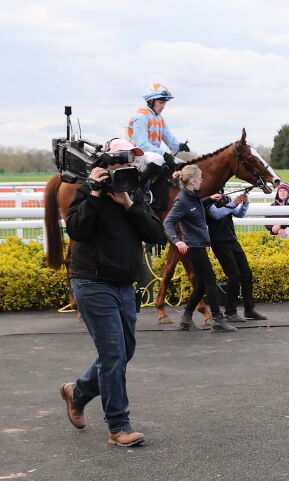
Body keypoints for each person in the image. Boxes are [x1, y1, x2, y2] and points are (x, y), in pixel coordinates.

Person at [59, 137, 165, 447]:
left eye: (131, 158)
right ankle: (118, 427)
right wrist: (94, 192)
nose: (126, 164)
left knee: (123, 353)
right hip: (92, 283)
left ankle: (76, 393)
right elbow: (76, 230)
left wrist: (129, 205)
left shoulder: (133, 192)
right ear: (106, 162)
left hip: (123, 286)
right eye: (120, 159)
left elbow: (157, 234)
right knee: (113, 355)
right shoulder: (86, 189)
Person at [163, 164, 236, 332]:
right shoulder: (182, 200)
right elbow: (168, 222)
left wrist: (211, 198)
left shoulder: (192, 196)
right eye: (200, 178)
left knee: (202, 284)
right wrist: (177, 240)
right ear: (193, 181)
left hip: (199, 245)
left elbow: (195, 208)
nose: (202, 180)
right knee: (210, 280)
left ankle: (186, 318)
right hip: (193, 247)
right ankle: (217, 318)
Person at [205, 190, 267, 322]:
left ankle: (249, 310)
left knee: (247, 273)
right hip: (219, 243)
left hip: (232, 240)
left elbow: (239, 214)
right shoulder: (208, 201)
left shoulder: (225, 198)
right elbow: (217, 214)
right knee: (234, 275)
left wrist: (244, 203)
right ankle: (230, 312)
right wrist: (234, 203)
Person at [127, 83, 189, 211]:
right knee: (159, 159)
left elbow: (170, 140)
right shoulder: (141, 116)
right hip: (137, 154)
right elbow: (142, 144)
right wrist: (163, 153)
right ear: (150, 101)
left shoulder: (159, 118)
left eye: (164, 103)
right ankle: (137, 190)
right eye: (161, 102)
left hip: (152, 153)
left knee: (183, 164)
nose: (163, 106)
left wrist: (179, 146)